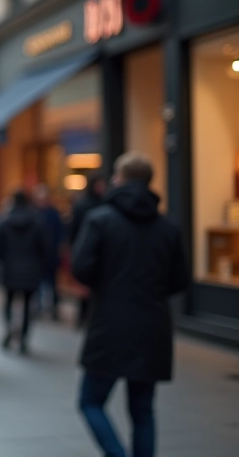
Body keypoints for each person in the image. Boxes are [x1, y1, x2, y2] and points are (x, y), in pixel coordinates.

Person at [72, 153, 191, 457]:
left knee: (90, 401)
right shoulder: (168, 227)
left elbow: (81, 268)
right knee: (142, 410)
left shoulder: (101, 220)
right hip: (152, 325)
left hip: (110, 324)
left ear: (120, 179)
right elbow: (179, 280)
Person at [0, 190, 46, 354]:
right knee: (27, 306)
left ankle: (10, 325)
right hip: (30, 269)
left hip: (10, 268)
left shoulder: (4, 221)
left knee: (9, 301)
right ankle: (23, 337)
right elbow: (44, 247)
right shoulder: (36, 221)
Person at [69, 172, 106, 328]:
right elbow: (74, 228)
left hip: (99, 250)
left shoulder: (103, 203)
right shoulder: (86, 205)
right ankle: (83, 315)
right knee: (84, 285)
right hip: (85, 247)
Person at [33, 185, 65, 320]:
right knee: (39, 283)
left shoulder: (53, 214)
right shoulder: (34, 214)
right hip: (38, 256)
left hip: (51, 255)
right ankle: (39, 308)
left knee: (52, 283)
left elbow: (61, 234)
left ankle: (52, 308)